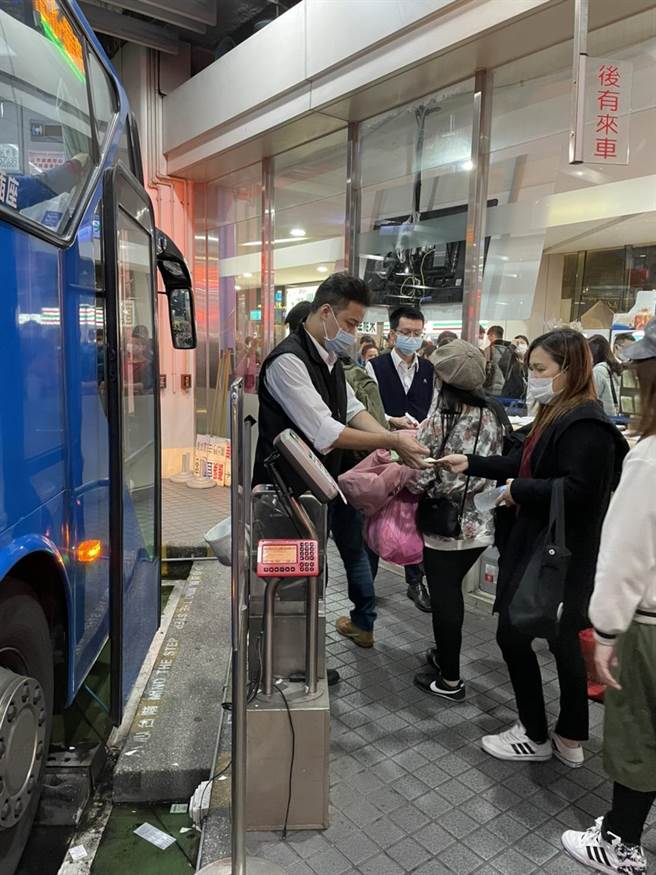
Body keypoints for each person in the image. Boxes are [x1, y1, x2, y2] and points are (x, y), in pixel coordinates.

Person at [439, 329, 627, 766]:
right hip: (554, 551)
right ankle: (570, 737)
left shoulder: (585, 423)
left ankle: (535, 733)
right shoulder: (558, 412)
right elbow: (527, 462)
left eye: (541, 370)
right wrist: (472, 463)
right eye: (532, 370)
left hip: (556, 554)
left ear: (571, 368)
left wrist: (517, 491)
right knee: (562, 641)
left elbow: (578, 488)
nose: (535, 378)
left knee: (515, 634)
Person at [252, 273, 427, 650]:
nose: (353, 331)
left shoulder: (331, 358)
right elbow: (325, 431)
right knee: (297, 571)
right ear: (326, 312)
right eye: (350, 323)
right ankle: (293, 655)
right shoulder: (287, 362)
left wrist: (394, 444)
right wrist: (390, 438)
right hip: (288, 491)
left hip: (329, 482)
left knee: (342, 553)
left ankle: (344, 633)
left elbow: (353, 409)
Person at [561, 318, 656, 874]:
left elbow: (625, 556)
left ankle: (619, 843)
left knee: (637, 733)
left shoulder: (648, 458)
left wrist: (606, 630)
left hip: (647, 624)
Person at [409, 340, 505, 700]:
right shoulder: (494, 413)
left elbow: (421, 474)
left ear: (443, 378)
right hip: (482, 523)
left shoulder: (440, 418)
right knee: (453, 594)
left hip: (445, 527)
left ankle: (449, 680)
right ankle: (444, 656)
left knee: (445, 598)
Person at [366, 305, 435, 613]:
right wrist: (392, 421)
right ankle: (366, 584)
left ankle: (415, 581)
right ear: (392, 334)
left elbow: (432, 409)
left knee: (412, 519)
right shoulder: (375, 366)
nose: (411, 338)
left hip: (417, 455)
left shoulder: (429, 370)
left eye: (417, 334)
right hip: (383, 454)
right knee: (375, 513)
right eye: (406, 333)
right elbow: (368, 411)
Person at [589, 334, 622, 417]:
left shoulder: (598, 370)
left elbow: (591, 396)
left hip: (604, 416)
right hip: (614, 415)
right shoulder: (613, 366)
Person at [501, 336, 529, 401]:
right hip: (509, 399)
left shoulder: (530, 362)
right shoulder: (511, 361)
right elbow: (503, 364)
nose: (519, 345)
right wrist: (512, 346)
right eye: (517, 343)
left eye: (522, 343)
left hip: (525, 400)